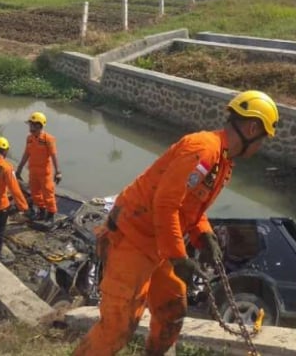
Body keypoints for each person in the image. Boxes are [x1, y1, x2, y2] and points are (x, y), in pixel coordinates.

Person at [73, 90, 280, 356]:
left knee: (172, 307)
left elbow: (189, 207)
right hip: (133, 240)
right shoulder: (203, 150)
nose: (261, 146)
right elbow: (165, 204)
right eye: (262, 139)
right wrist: (179, 257)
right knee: (118, 327)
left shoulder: (221, 161)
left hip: (156, 245)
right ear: (252, 128)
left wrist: (203, 234)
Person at [15, 112, 62, 223]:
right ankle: (42, 212)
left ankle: (51, 215)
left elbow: (54, 155)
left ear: (39, 125)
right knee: (35, 193)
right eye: (30, 125)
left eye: (33, 125)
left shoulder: (48, 139)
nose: (30, 128)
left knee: (48, 194)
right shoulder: (29, 139)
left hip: (45, 173)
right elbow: (26, 154)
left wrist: (58, 171)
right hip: (33, 171)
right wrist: (19, 168)